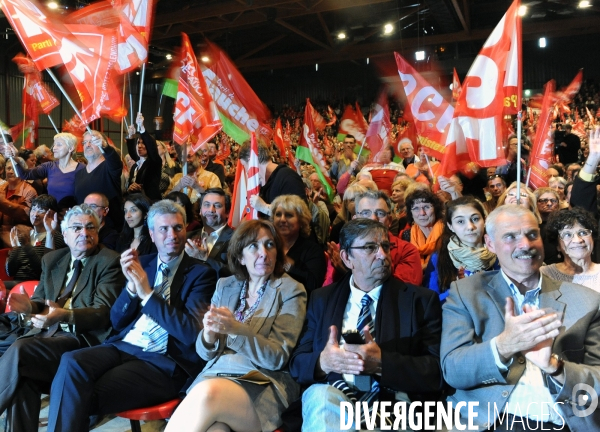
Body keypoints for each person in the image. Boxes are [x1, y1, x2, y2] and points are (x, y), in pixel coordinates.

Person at [47, 200, 218, 431]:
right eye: (164, 229)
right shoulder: (143, 264)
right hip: (124, 346)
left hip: (162, 361)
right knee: (70, 362)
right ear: (152, 234)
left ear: (186, 228)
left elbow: (190, 333)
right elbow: (117, 320)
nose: (172, 235)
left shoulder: (201, 273)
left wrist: (146, 294)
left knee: (79, 393)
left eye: (178, 227)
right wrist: (130, 289)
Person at [441, 205, 600, 430]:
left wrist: (555, 367)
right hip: (493, 421)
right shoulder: (466, 293)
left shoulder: (587, 301)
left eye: (532, 234)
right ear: (490, 244)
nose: (525, 244)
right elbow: (453, 370)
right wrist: (503, 346)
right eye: (510, 236)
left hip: (565, 422)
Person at [290, 218, 443, 432]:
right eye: (370, 247)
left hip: (395, 400)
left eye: (385, 246)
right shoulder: (322, 299)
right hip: (334, 397)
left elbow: (436, 371)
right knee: (320, 396)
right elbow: (298, 364)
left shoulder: (420, 301)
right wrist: (323, 362)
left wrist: (383, 363)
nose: (382, 255)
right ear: (347, 257)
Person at [165, 219, 307, 432]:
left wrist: (237, 330)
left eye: (270, 245)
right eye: (254, 246)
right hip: (216, 375)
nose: (264, 253)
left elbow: (277, 358)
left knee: (207, 393)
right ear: (240, 256)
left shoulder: (291, 290)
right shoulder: (226, 285)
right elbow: (204, 354)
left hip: (262, 383)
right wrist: (209, 335)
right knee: (216, 430)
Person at [0, 204, 124, 432]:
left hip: (81, 337)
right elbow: (40, 300)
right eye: (76, 228)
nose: (84, 233)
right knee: (23, 375)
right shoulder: (52, 260)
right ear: (64, 235)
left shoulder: (109, 261)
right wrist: (30, 306)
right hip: (46, 334)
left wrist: (64, 315)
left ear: (97, 232)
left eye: (90, 228)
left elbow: (103, 312)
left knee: (20, 350)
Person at [425, 196, 498, 303]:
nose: (470, 226)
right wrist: (459, 289)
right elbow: (432, 300)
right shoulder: (439, 257)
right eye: (460, 222)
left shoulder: (499, 251)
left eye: (475, 219)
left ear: (485, 220)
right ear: (450, 226)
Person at [270, 194, 326, 296]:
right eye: (278, 214)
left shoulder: (312, 250)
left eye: (288, 215)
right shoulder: (267, 246)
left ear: (301, 221)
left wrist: (286, 264)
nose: (282, 219)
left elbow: (313, 284)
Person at [4, 133, 84, 203]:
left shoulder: (82, 169)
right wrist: (15, 158)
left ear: (71, 148)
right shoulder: (49, 166)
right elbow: (25, 174)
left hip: (73, 216)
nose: (54, 148)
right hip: (52, 216)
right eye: (54, 145)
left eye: (59, 144)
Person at [6, 194, 66, 287]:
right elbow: (10, 271)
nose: (35, 214)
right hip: (17, 284)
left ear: (51, 214)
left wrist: (26, 246)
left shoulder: (55, 237)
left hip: (37, 286)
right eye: (33, 209)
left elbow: (43, 270)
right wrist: (15, 247)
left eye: (41, 210)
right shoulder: (26, 235)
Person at [239, 140, 305, 217]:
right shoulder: (261, 185)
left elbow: (301, 213)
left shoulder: (288, 177)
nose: (246, 171)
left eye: (244, 165)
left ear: (252, 160)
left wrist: (264, 207)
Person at [540, 207, 600, 291]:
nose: (578, 240)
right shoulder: (545, 275)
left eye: (583, 233)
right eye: (567, 234)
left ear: (592, 238)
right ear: (558, 245)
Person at [74, 130, 124, 229]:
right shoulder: (79, 174)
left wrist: (106, 147)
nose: (87, 145)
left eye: (92, 141)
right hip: (85, 228)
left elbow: (115, 162)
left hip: (110, 229)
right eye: (85, 142)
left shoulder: (109, 167)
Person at [185, 188, 234, 277]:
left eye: (217, 205)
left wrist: (205, 259)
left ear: (227, 212)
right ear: (200, 210)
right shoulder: (188, 237)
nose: (211, 210)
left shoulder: (237, 239)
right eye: (206, 205)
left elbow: (236, 274)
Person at [401, 187, 445, 270]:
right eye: (416, 208)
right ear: (411, 213)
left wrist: (421, 268)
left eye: (427, 207)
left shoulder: (447, 230)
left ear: (435, 209)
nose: (422, 213)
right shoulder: (407, 234)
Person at [0, 158, 37, 248]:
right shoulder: (2, 188)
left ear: (22, 171)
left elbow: (25, 216)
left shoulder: (29, 191)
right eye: (8, 168)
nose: (11, 172)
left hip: (19, 239)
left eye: (14, 168)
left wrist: (3, 202)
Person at [125, 114, 163, 201]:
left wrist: (142, 127)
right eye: (138, 143)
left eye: (143, 143)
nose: (140, 146)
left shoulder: (154, 162)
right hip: (137, 202)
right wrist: (131, 136)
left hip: (150, 203)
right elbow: (132, 153)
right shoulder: (136, 165)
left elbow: (152, 148)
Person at [534, 187, 562, 264]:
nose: (549, 203)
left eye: (553, 201)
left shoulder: (563, 225)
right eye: (544, 200)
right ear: (535, 203)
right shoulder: (532, 226)